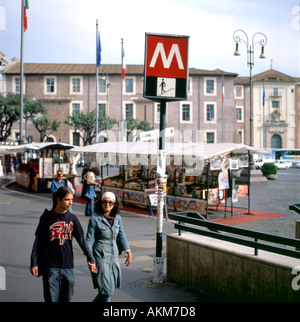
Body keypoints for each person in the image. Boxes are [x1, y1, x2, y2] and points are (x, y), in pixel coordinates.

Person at [30, 186, 97, 302]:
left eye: (72, 199)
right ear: (58, 200)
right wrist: (34, 262)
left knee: (67, 298)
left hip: (68, 267)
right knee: (51, 299)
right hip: (50, 266)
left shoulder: (73, 218)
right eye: (67, 199)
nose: (71, 202)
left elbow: (82, 241)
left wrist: (91, 259)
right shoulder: (47, 217)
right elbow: (38, 241)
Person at [86, 192, 132, 302]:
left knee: (109, 289)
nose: (107, 204)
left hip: (114, 256)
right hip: (100, 256)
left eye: (110, 202)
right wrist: (90, 259)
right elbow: (88, 239)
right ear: (100, 203)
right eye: (104, 202)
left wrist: (128, 252)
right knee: (105, 290)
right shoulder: (95, 219)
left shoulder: (117, 218)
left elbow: (121, 234)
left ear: (114, 204)